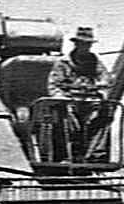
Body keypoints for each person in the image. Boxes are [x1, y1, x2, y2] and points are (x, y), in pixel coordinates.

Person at [46, 27, 114, 162]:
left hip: (90, 101)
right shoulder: (63, 63)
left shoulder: (95, 62)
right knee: (64, 115)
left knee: (106, 113)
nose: (86, 47)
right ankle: (66, 156)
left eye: (88, 44)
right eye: (83, 44)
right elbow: (53, 85)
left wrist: (101, 91)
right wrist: (61, 97)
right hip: (69, 101)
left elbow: (105, 80)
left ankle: (95, 155)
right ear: (76, 44)